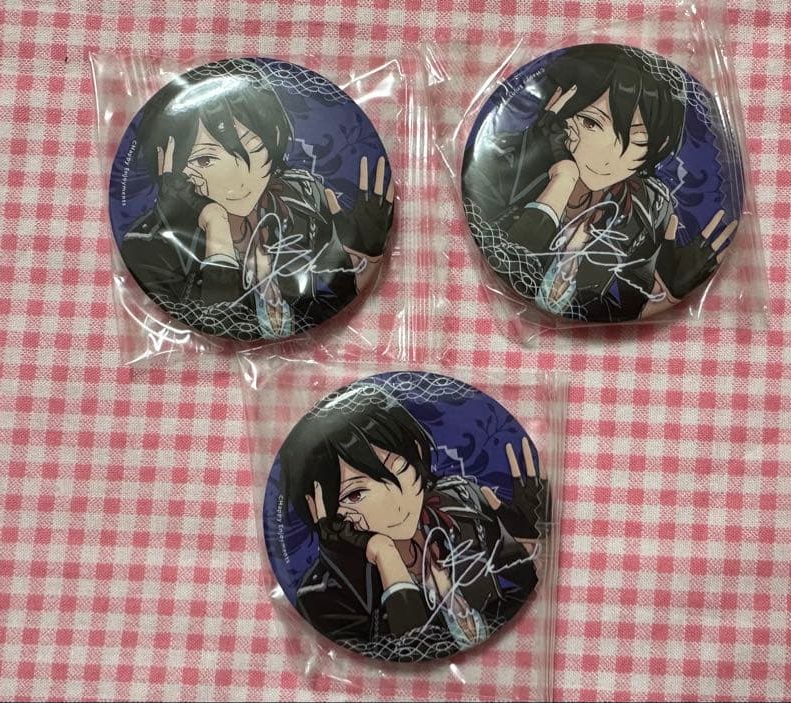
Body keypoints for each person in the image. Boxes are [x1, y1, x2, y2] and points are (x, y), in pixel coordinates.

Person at [121, 58, 393, 339]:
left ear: (273, 135)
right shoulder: (148, 247)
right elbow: (220, 322)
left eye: (248, 148)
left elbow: (331, 300)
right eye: (200, 161)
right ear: (170, 167)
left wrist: (364, 256)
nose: (235, 177)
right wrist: (217, 231)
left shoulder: (303, 199)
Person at [463, 44, 736, 322]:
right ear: (561, 108)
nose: (608, 155)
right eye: (591, 123)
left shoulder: (649, 208)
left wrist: (663, 294)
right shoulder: (499, 165)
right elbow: (507, 261)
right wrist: (561, 182)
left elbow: (619, 308)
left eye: (636, 139)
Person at [278, 384, 543, 659]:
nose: (395, 503)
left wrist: (531, 526)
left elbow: (525, 582)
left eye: (396, 468)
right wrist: (386, 557)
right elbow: (413, 653)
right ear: (322, 509)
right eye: (355, 494)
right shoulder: (324, 598)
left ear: (415, 450)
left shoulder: (463, 502)